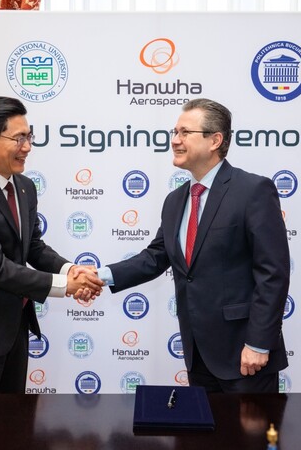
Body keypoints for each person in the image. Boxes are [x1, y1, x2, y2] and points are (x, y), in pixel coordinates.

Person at [93, 98, 290, 393]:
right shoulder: (175, 200)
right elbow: (155, 257)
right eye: (175, 132)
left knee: (249, 426)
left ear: (215, 140)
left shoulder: (253, 191)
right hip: (197, 355)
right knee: (203, 425)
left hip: (245, 355)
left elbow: (273, 273)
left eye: (185, 132)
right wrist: (99, 275)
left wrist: (259, 343)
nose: (175, 140)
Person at [0, 96, 103, 393]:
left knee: (14, 419)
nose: (27, 147)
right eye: (19, 138)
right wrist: (65, 285)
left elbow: (34, 246)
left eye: (29, 137)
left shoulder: (24, 187)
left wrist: (70, 269)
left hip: (15, 328)